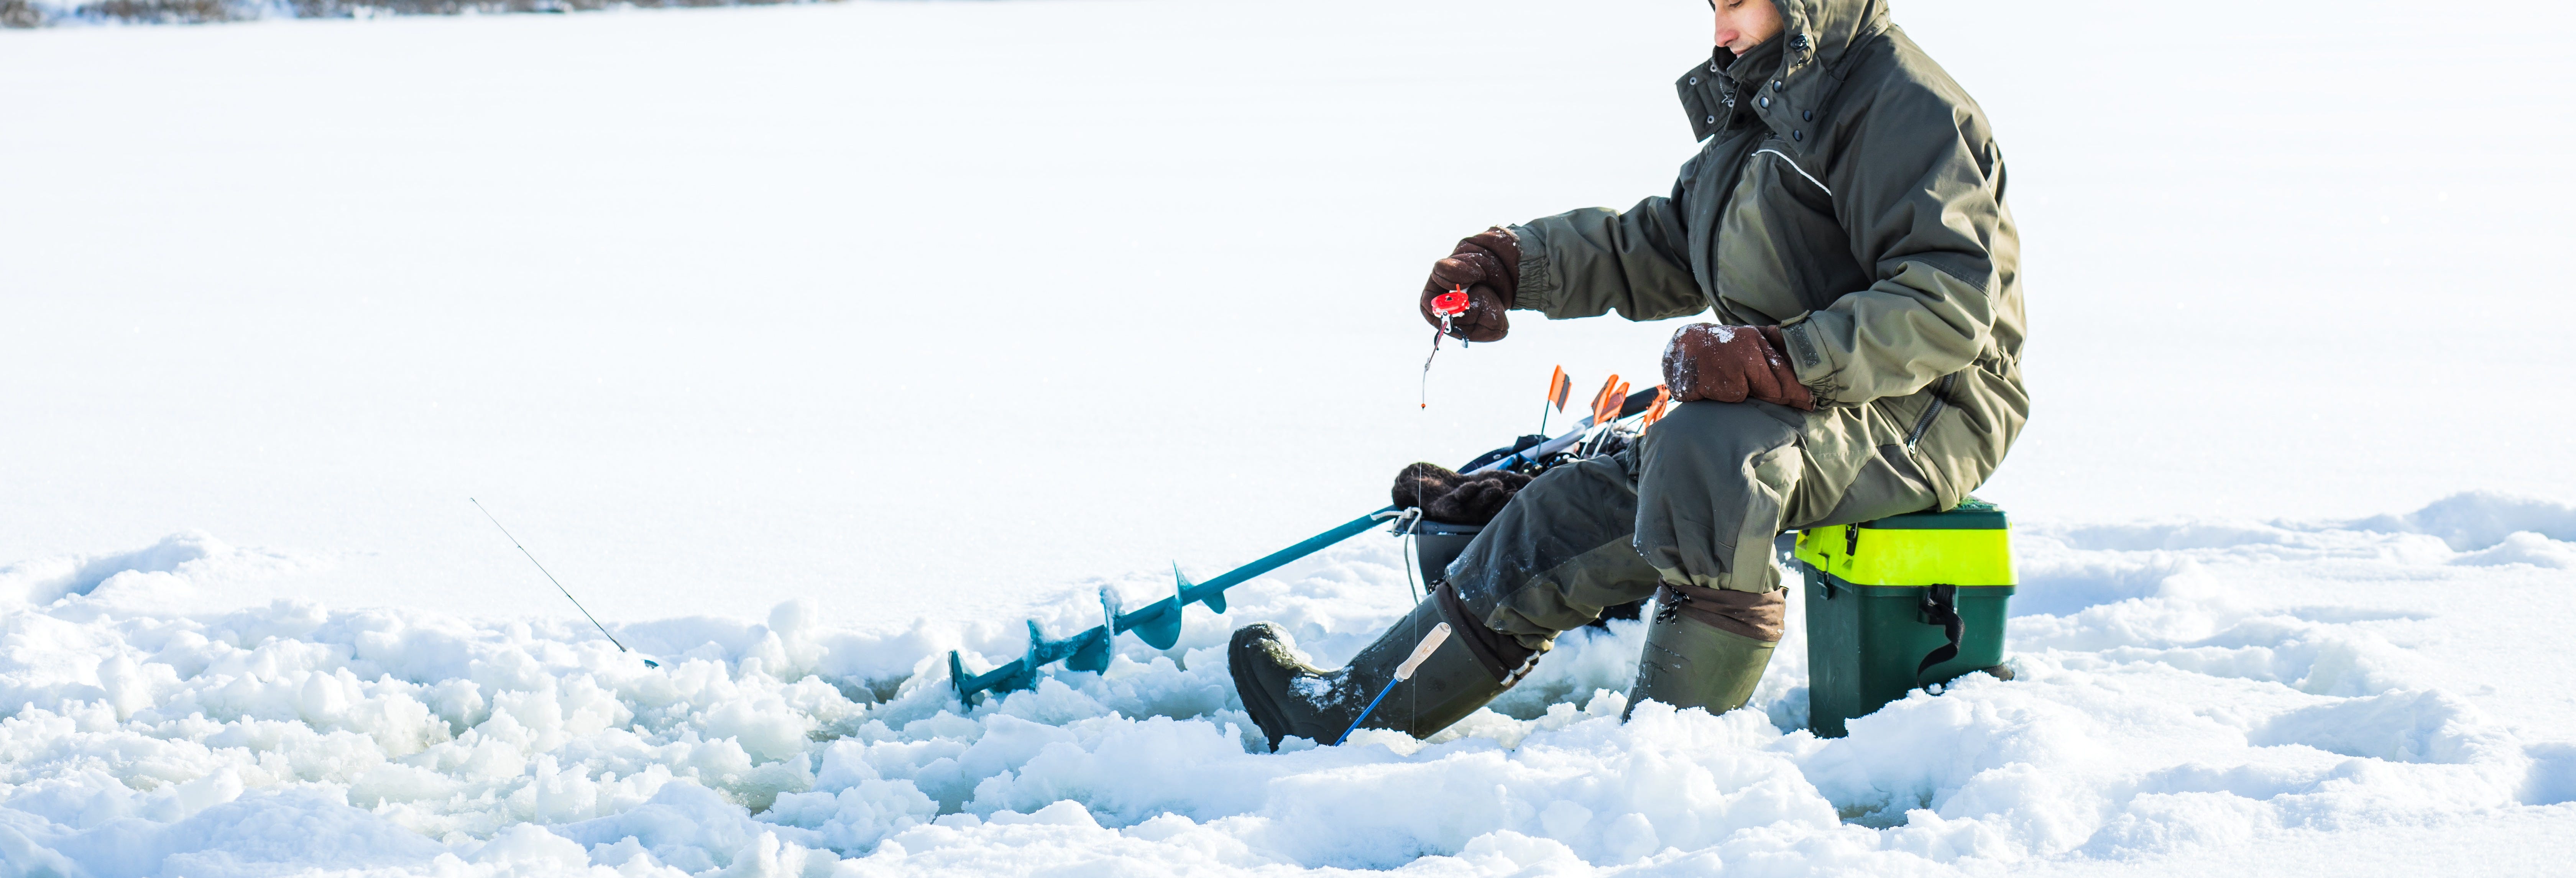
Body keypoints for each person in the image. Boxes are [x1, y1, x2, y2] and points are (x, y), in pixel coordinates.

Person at [1229, 0, 2028, 750]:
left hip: (1929, 404)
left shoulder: (1906, 106)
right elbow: (1663, 245)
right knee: (1560, 510)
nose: (1721, 31)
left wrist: (1780, 359)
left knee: (1711, 456)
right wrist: (1513, 265)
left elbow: (1950, 300)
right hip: (1805, 399)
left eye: (1739, 4)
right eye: (1712, 6)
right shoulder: (1774, 104)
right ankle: (1349, 712)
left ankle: (1664, 770)